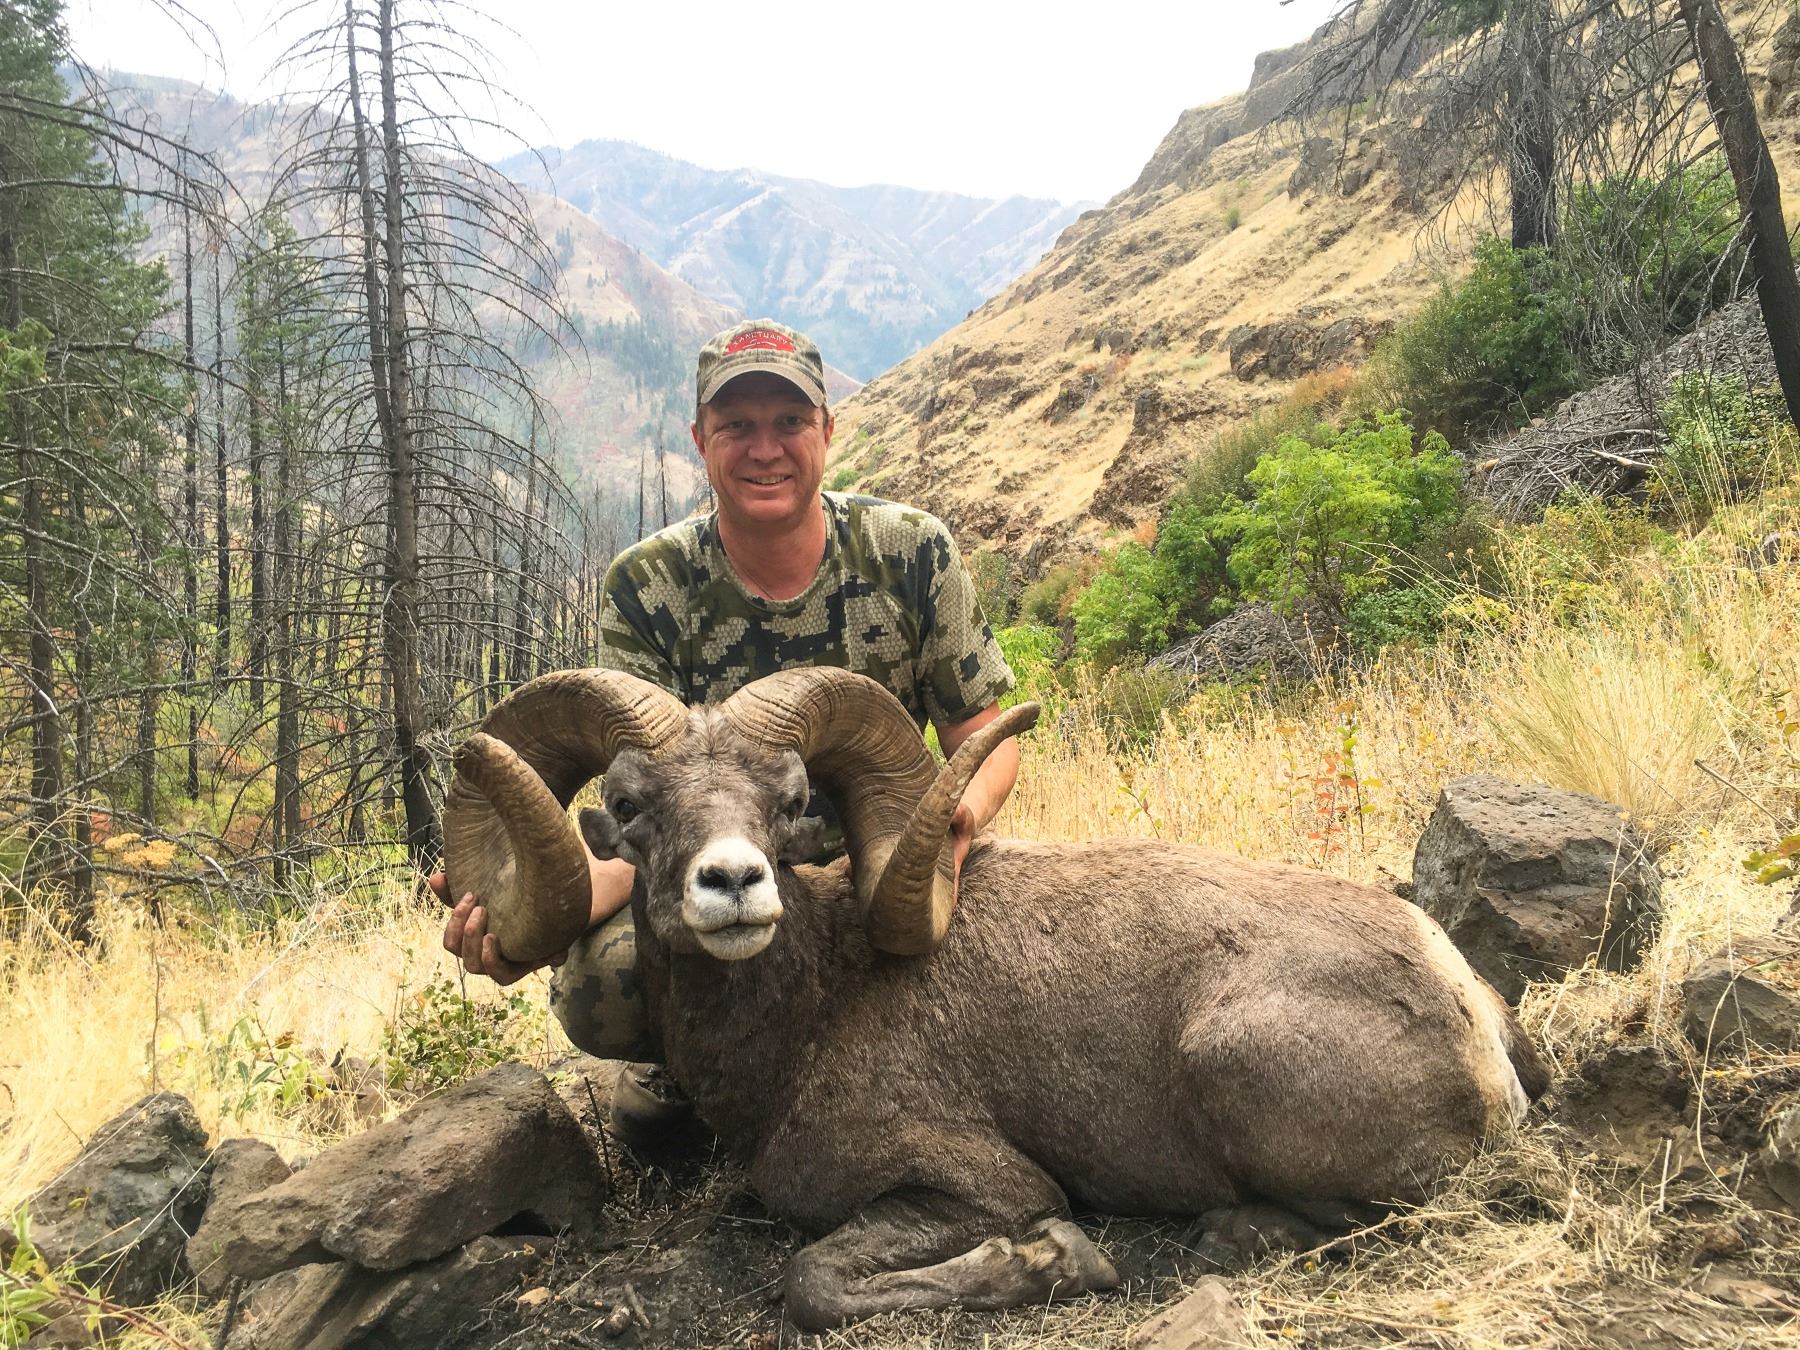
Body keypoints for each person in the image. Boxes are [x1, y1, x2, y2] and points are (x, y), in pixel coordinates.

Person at [432, 318, 1018, 1096]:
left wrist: (955, 825)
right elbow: (635, 815)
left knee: (975, 951)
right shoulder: (649, 585)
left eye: (789, 422)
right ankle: (706, 1088)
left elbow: (985, 734)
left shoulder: (909, 551)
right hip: (710, 867)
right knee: (600, 989)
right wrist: (536, 915)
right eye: (736, 426)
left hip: (873, 866)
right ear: (700, 438)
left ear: (827, 430)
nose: (765, 448)